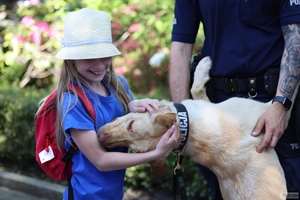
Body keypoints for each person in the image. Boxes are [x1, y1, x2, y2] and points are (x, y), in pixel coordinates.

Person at [36, 8, 179, 200]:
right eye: (89, 57)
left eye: (104, 55)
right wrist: (154, 154)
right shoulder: (72, 102)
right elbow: (101, 160)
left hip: (114, 194)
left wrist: (133, 106)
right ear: (71, 61)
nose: (99, 64)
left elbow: (120, 113)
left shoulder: (118, 85)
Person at [169, 1, 300, 199]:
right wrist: (182, 115)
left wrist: (280, 105)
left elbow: (295, 39)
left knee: (285, 192)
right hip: (217, 111)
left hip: (270, 106)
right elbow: (180, 48)